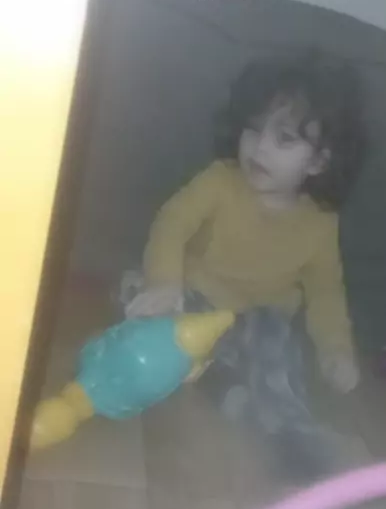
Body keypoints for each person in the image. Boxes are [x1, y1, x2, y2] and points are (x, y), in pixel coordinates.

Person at [126, 50, 365, 482]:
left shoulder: (320, 223)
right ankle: (213, 379)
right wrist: (164, 283)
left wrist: (335, 351)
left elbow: (326, 293)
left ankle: (290, 432)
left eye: (284, 139)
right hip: (191, 299)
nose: (260, 147)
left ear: (318, 162)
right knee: (134, 294)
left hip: (255, 322)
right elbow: (172, 224)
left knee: (279, 352)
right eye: (253, 130)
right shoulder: (219, 180)